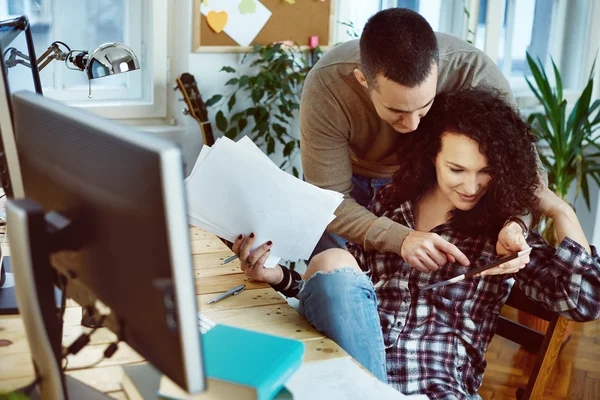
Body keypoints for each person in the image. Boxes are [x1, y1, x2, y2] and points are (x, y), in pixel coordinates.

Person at [232, 89, 600, 399]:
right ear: (432, 157)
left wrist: (559, 209)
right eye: (457, 170)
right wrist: (278, 276)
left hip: (435, 387)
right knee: (331, 262)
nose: (472, 187)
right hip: (356, 368)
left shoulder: (502, 234)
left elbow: (585, 301)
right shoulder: (389, 209)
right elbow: (345, 301)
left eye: (485, 172)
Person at [300, 8, 546, 274]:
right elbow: (330, 200)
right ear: (363, 80)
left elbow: (526, 169)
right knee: (330, 282)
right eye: (397, 111)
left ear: (439, 72)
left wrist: (517, 223)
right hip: (349, 183)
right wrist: (401, 238)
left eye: (424, 106)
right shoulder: (327, 86)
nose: (413, 125)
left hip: (423, 182)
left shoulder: (473, 72)